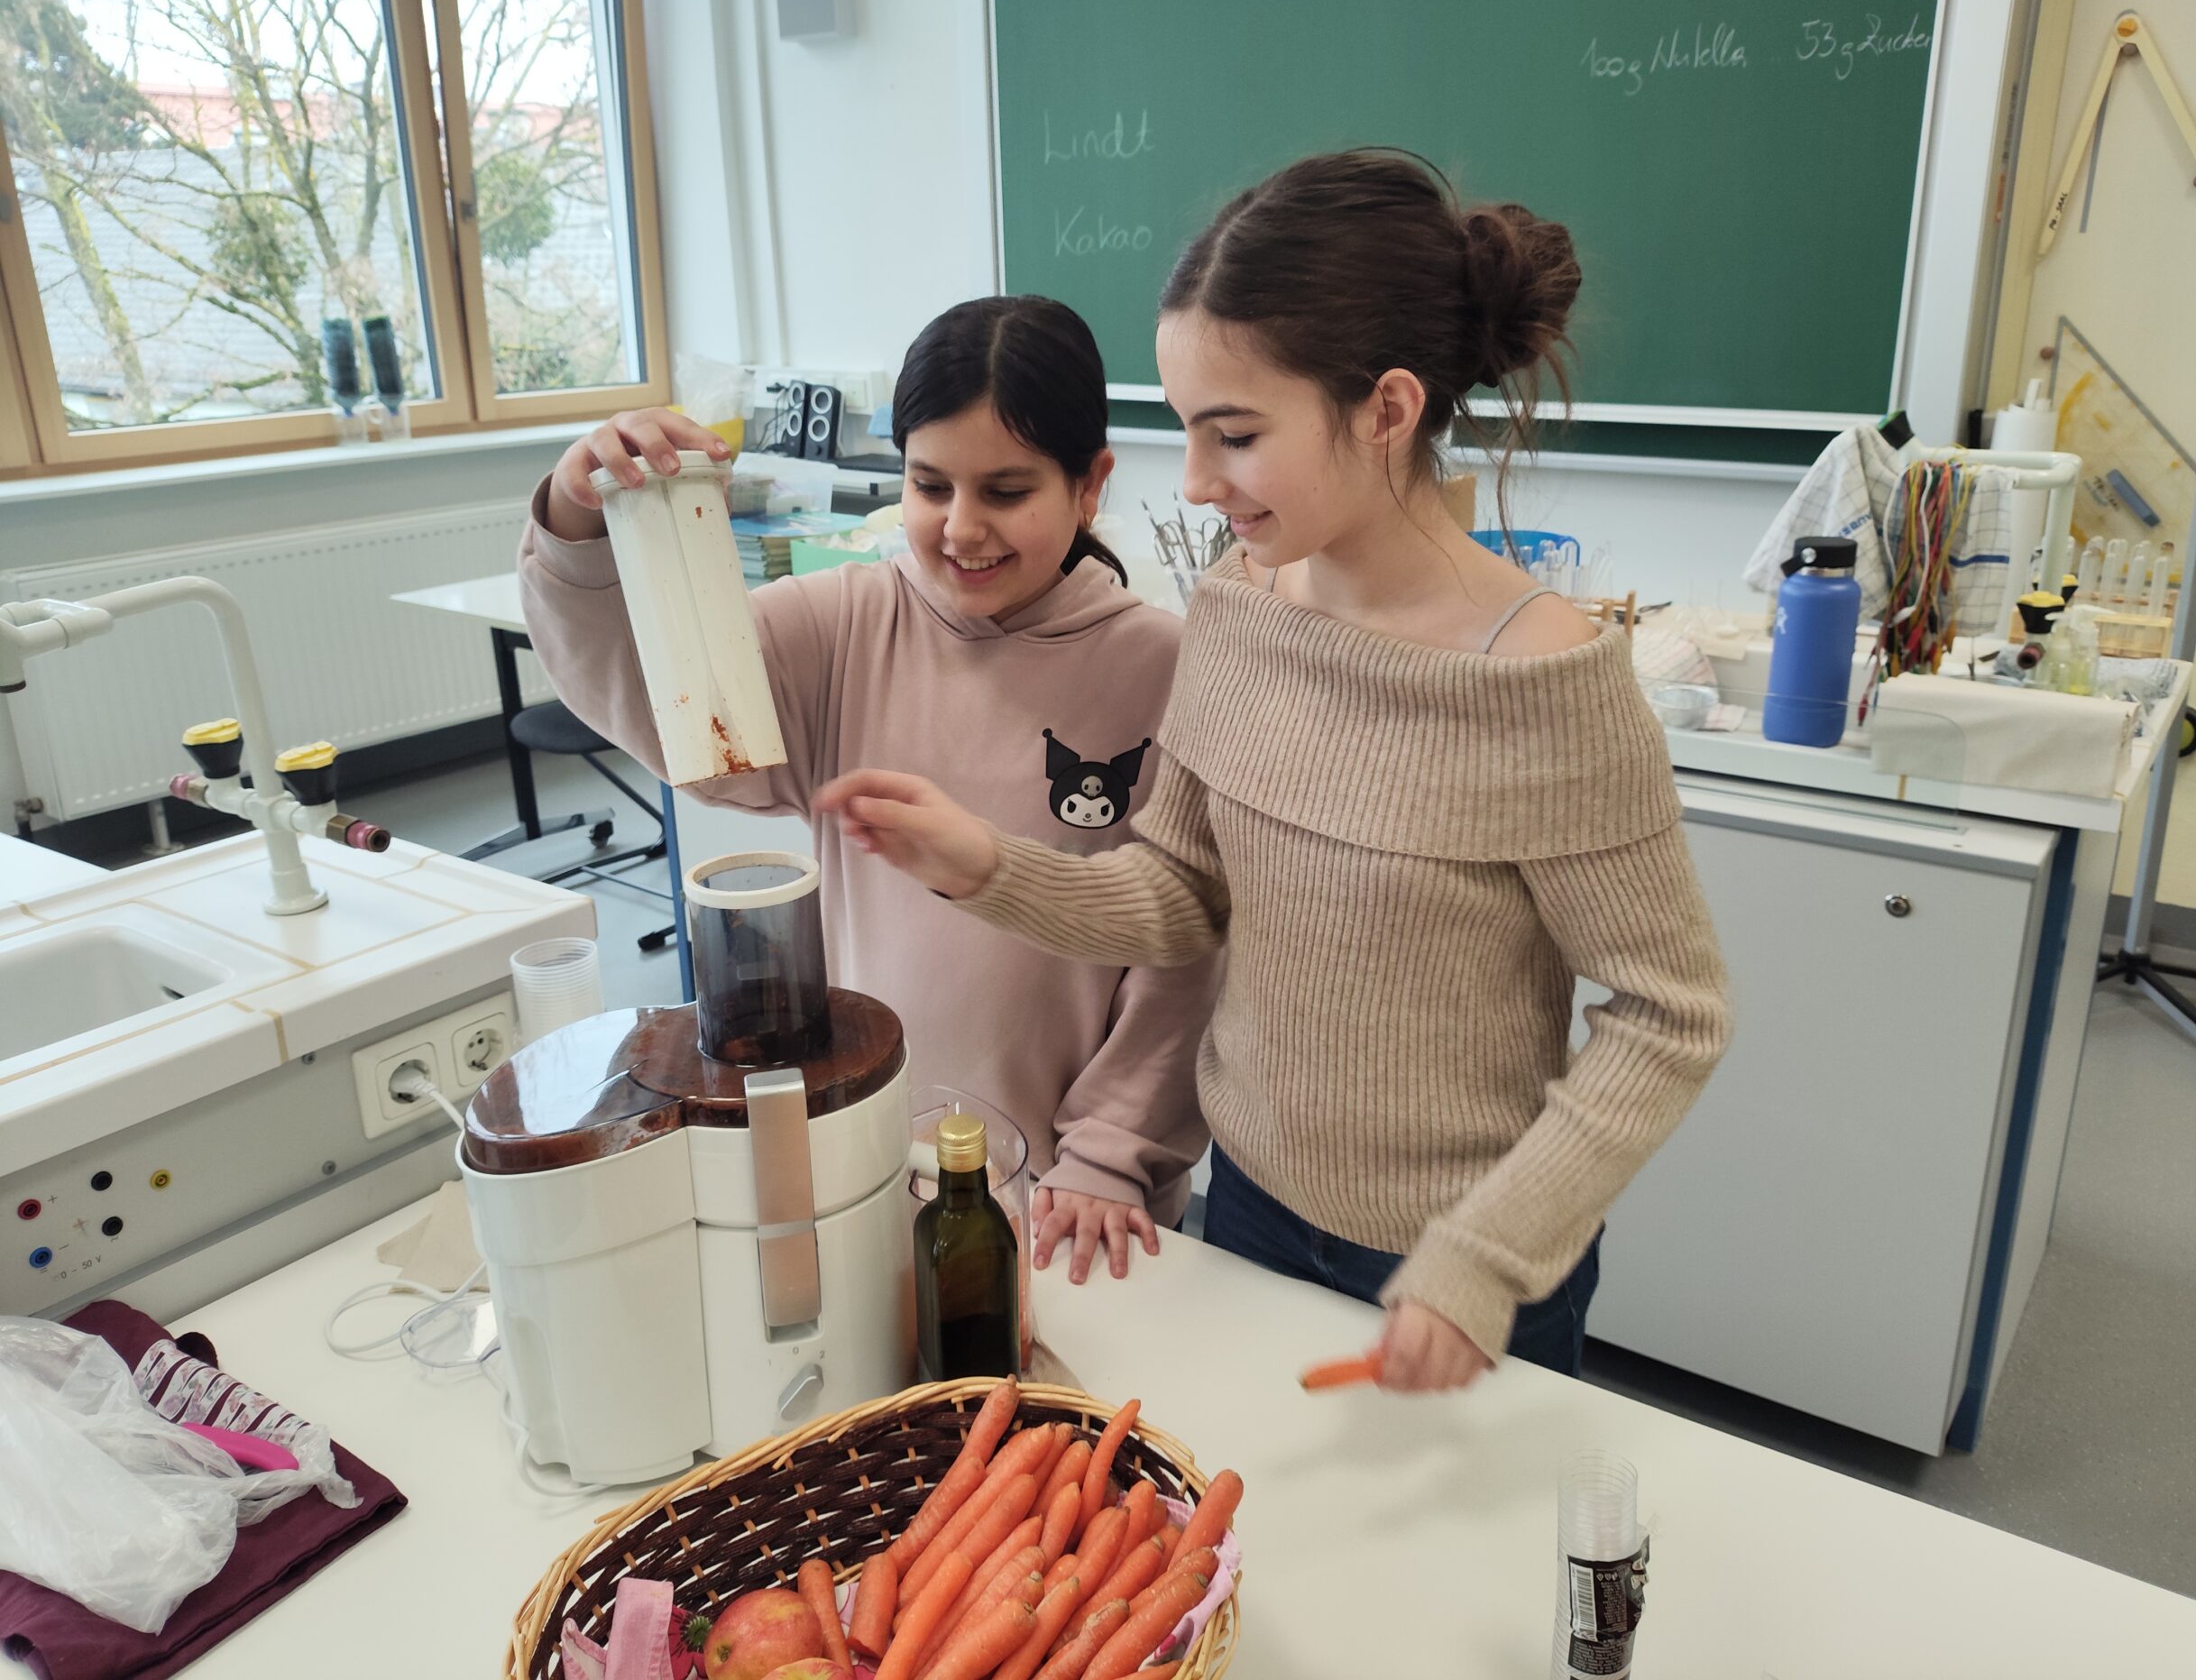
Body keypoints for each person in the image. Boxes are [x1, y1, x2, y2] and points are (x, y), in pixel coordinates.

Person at [818, 151, 1732, 1391]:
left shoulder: (1546, 682)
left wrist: (1488, 1255)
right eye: (1187, 431)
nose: (1194, 483)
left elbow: (1671, 1015)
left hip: (1458, 1262)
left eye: (1235, 435)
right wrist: (989, 868)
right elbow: (1180, 896)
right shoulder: (1239, 611)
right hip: (1246, 1207)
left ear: (1387, 411)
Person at [519, 296, 1219, 1280]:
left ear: (1091, 483)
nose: (962, 527)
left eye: (1007, 491)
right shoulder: (841, 624)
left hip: (1079, 1194)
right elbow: (662, 699)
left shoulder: (1167, 665)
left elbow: (1187, 951)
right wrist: (576, 522)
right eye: (930, 485)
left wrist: (1114, 1151)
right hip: (867, 1159)